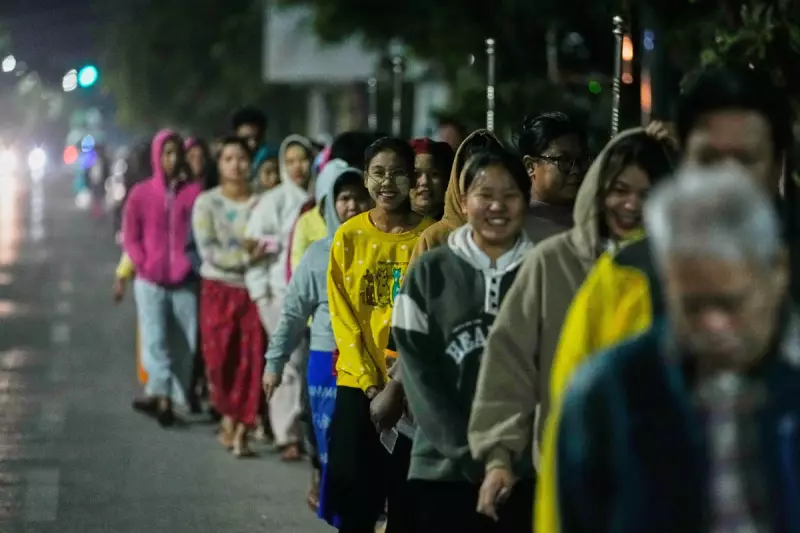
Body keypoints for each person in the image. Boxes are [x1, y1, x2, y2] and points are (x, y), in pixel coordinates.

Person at [535, 67, 797, 533]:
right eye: (709, 159)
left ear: (778, 166)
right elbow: (571, 462)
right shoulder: (623, 277)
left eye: (745, 160)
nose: (725, 180)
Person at [468, 128, 675, 519]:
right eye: (620, 189)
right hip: (566, 466)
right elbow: (509, 359)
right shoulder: (553, 261)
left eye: (647, 194)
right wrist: (498, 456)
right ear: (598, 190)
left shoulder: (678, 271)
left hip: (659, 477)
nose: (631, 204)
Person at [392, 150, 536, 532]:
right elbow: (420, 378)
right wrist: (473, 455)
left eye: (509, 195)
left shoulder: (544, 272)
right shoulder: (429, 273)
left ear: (526, 199)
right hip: (442, 469)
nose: (496, 206)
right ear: (462, 199)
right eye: (484, 194)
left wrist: (509, 458)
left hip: (525, 471)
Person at [326, 137, 434, 533]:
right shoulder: (349, 236)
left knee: (405, 495)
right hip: (358, 381)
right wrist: (371, 385)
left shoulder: (429, 237)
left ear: (413, 177)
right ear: (365, 176)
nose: (388, 183)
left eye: (398, 173)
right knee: (352, 486)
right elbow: (343, 316)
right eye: (378, 173)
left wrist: (398, 384)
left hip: (411, 386)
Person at [262, 165, 371, 523]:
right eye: (344, 198)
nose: (352, 206)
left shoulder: (385, 250)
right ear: (329, 205)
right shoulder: (317, 255)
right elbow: (293, 314)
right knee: (333, 452)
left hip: (375, 364)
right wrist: (275, 362)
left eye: (360, 197)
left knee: (369, 455)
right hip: (328, 363)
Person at [192, 136, 266, 457]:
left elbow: (272, 241)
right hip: (217, 289)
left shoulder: (264, 203)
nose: (236, 165)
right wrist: (248, 256)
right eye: (228, 158)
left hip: (254, 290)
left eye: (242, 158)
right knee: (219, 360)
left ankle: (242, 429)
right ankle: (227, 415)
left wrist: (256, 257)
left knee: (251, 360)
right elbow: (208, 249)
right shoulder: (206, 203)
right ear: (219, 164)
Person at [122, 129, 202, 426]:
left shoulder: (194, 194)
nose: (172, 159)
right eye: (166, 153)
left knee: (184, 342)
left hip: (185, 281)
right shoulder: (140, 194)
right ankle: (163, 397)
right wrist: (142, 262)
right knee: (154, 339)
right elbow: (130, 235)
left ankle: (173, 395)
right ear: (156, 156)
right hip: (150, 280)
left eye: (176, 153)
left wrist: (192, 265)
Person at [245, 133, 314, 461]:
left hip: (312, 297)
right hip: (277, 296)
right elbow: (253, 252)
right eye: (291, 161)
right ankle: (288, 434)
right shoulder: (273, 202)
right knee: (288, 363)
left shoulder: (319, 199)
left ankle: (304, 431)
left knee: (306, 364)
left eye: (303, 159)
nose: (298, 166)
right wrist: (260, 294)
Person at [411, 129, 504, 260]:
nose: (481, 184)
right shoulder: (435, 238)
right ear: (456, 178)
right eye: (471, 175)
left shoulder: (517, 235)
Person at [409, 138, 454, 220]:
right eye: (416, 174)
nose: (424, 182)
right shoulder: (390, 224)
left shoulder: (458, 225)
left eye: (434, 174)